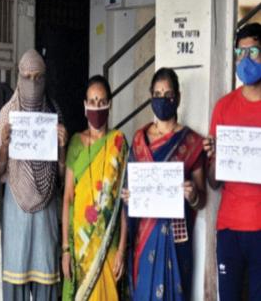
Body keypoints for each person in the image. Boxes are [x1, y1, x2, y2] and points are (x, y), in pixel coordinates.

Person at [121, 68, 206, 301]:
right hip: (144, 236)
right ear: (150, 97)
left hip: (175, 240)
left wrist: (193, 196)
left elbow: (202, 199)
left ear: (177, 97)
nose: (162, 99)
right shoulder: (139, 140)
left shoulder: (191, 141)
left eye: (167, 94)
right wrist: (128, 200)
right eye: (157, 94)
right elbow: (129, 190)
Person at [0, 49, 68, 301]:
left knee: (47, 283)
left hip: (46, 215)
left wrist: (62, 147)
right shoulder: (6, 115)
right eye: (27, 77)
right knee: (15, 283)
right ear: (18, 78)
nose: (32, 84)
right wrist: (4, 146)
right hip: (16, 213)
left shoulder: (53, 114)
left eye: (38, 77)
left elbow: (61, 177)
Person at [203, 22, 261, 301]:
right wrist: (212, 156)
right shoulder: (223, 107)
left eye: (253, 52)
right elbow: (214, 181)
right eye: (240, 52)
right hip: (228, 227)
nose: (245, 59)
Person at [61, 75, 129, 301]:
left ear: (109, 104)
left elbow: (124, 201)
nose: (96, 107)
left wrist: (121, 249)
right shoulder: (75, 143)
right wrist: (65, 250)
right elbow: (68, 198)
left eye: (101, 102)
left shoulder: (118, 142)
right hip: (80, 248)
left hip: (108, 246)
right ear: (84, 105)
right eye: (92, 101)